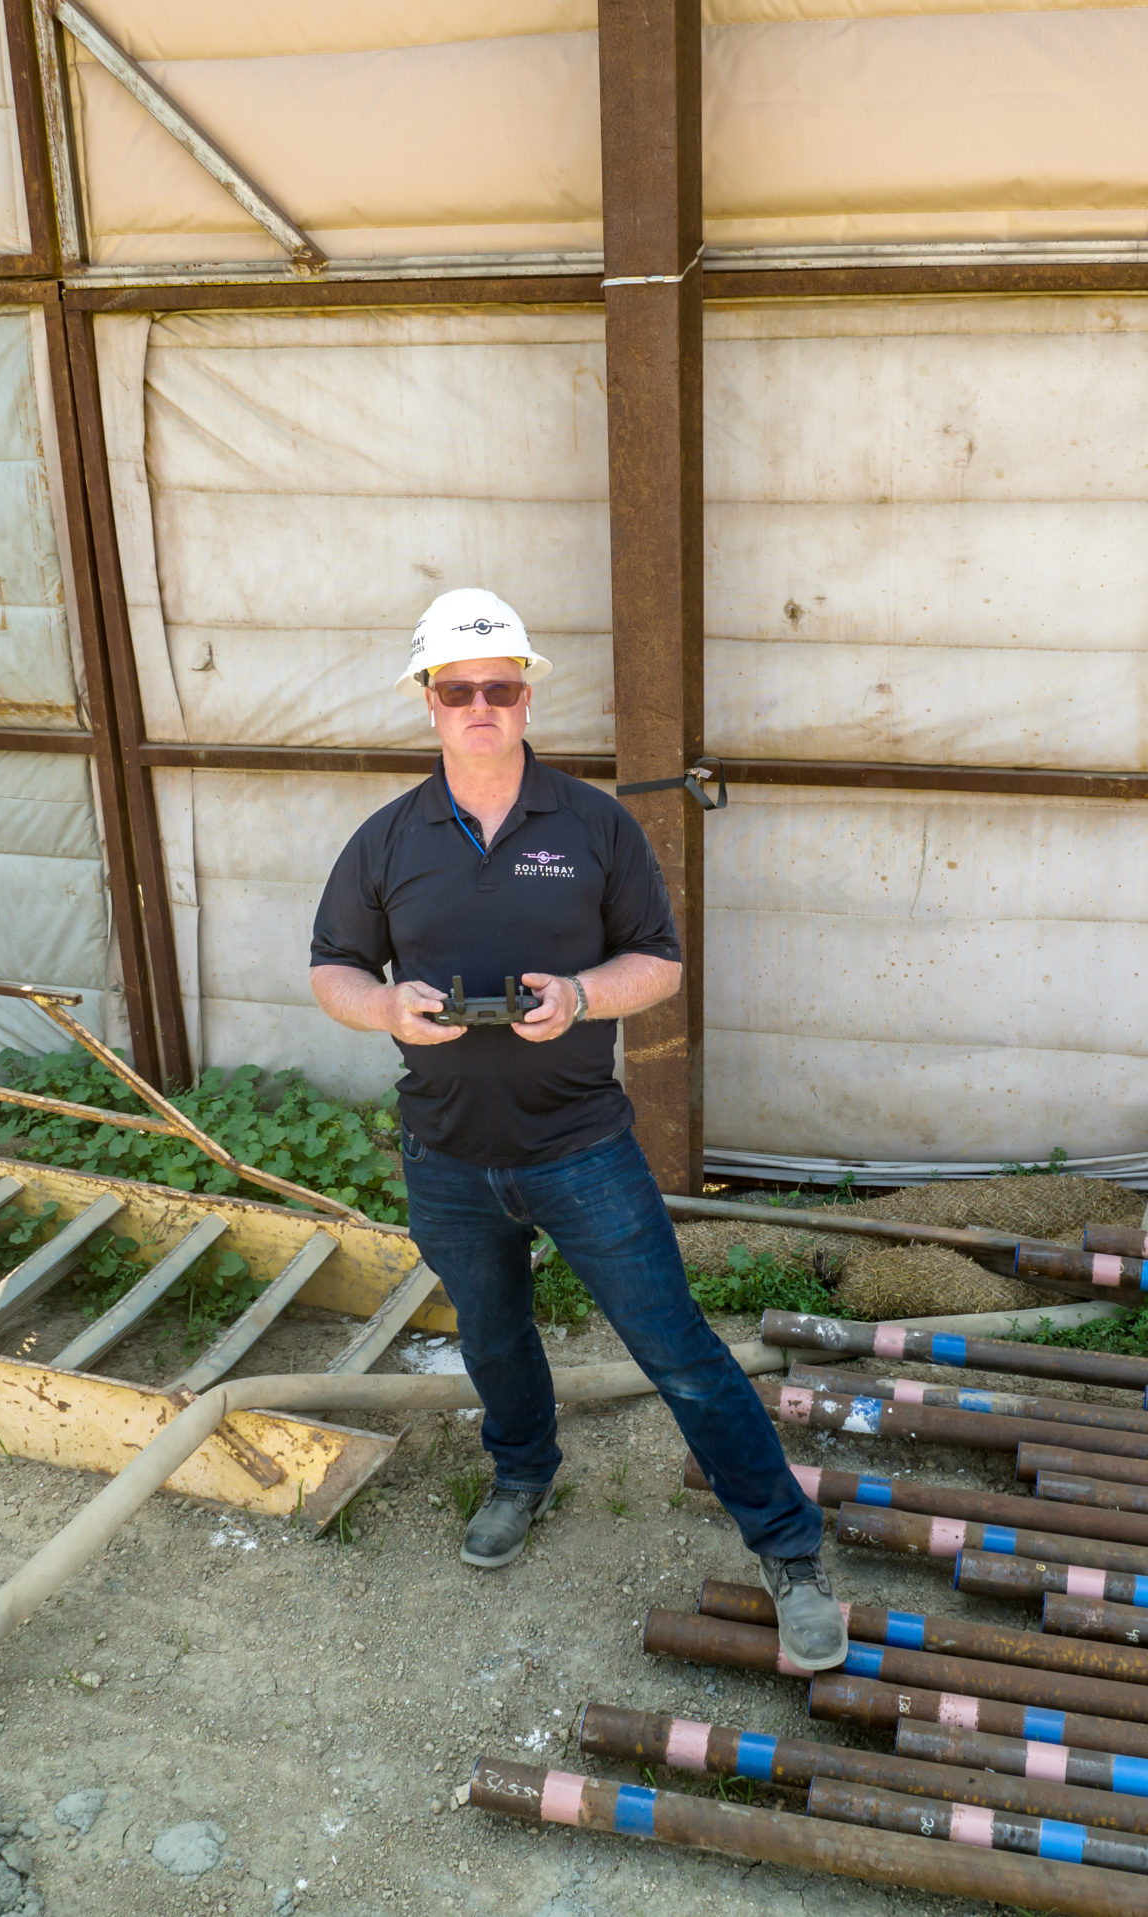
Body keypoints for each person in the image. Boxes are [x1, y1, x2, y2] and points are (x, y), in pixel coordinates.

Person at [306, 587, 845, 1670]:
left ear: (525, 694)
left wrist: (582, 997)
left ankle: (790, 1553)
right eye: (457, 689)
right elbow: (333, 967)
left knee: (678, 1351)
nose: (479, 706)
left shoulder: (593, 824)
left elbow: (659, 962)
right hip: (446, 1149)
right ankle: (521, 1473)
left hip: (580, 1148)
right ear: (426, 700)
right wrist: (384, 1007)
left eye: (499, 687)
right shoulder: (386, 839)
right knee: (492, 1334)